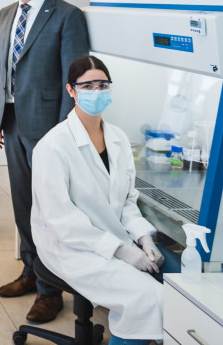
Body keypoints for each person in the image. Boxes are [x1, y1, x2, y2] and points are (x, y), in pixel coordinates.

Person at [31, 55, 180, 345]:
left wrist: (143, 238)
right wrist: (121, 252)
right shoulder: (53, 146)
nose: (96, 92)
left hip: (116, 236)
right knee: (147, 297)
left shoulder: (118, 139)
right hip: (69, 247)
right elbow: (62, 221)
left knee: (182, 277)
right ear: (71, 90)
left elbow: (126, 200)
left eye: (102, 85)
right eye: (88, 86)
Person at [0, 0, 90, 323]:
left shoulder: (66, 15)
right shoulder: (5, 14)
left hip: (49, 124)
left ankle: (52, 291)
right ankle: (31, 272)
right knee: (22, 205)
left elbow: (74, 76)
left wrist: (66, 130)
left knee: (50, 209)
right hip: (11, 122)